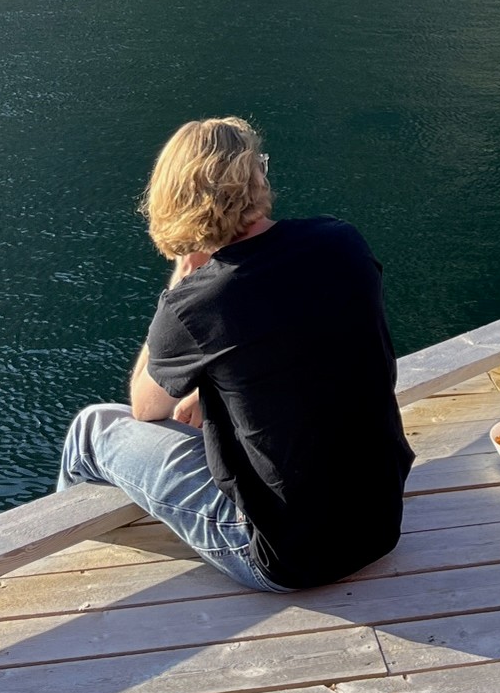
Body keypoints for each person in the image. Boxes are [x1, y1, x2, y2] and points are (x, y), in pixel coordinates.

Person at [58, 116, 413, 590]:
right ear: (256, 179)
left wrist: (178, 286)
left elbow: (146, 408)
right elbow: (303, 357)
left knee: (93, 428)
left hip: (287, 556)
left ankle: (71, 571)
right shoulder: (341, 242)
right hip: (380, 520)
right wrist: (211, 397)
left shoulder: (199, 301)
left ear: (175, 198)